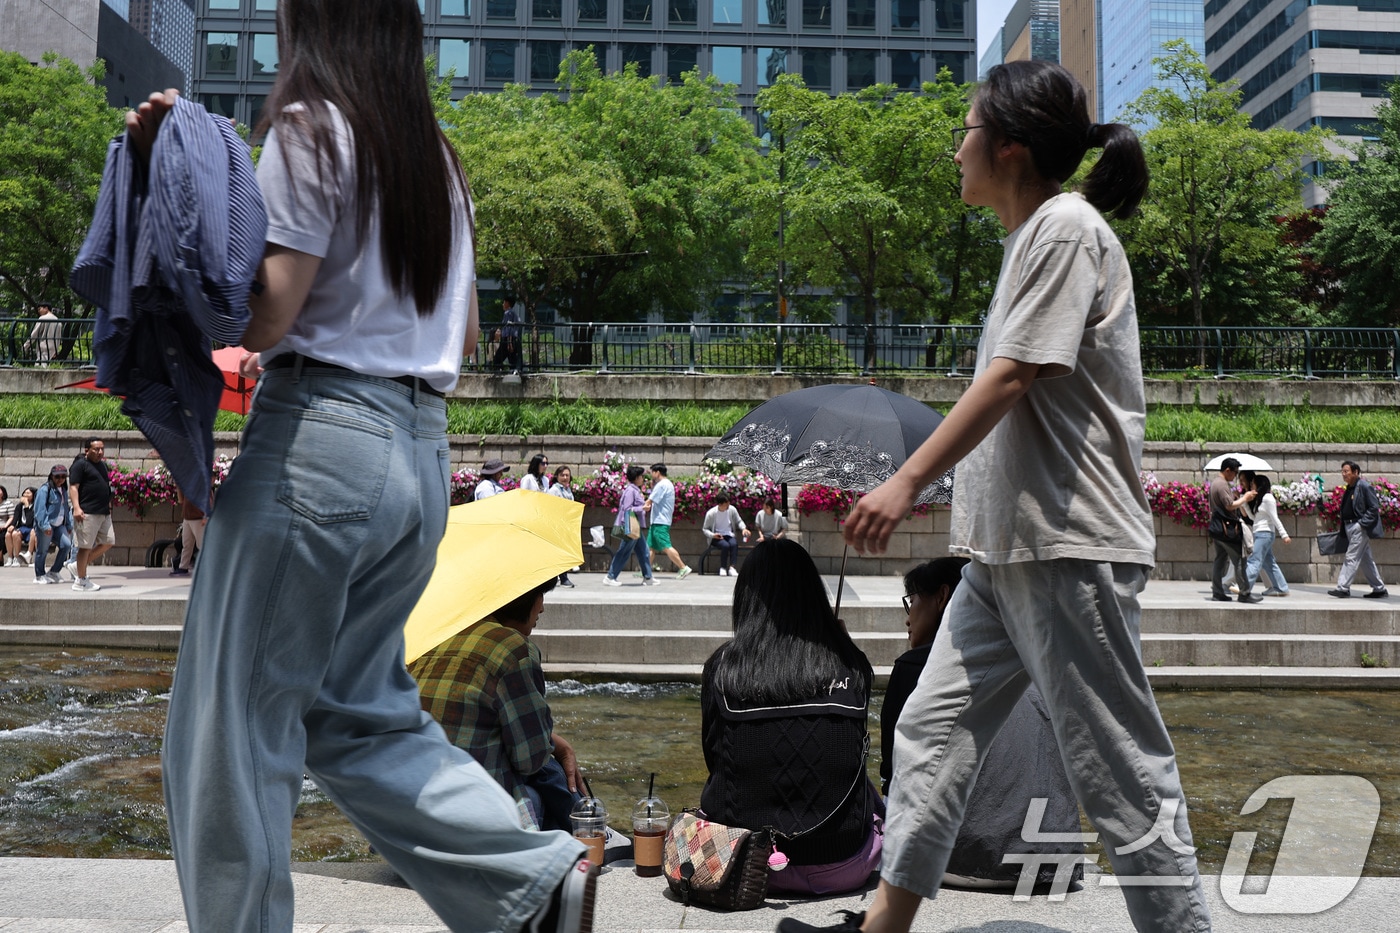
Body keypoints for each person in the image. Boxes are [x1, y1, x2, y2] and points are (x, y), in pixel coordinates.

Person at [143, 2, 597, 930]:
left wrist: (177, 174)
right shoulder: (438, 160)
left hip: (319, 440)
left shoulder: (311, 128)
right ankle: (532, 878)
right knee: (359, 712)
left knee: (229, 732)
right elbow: (462, 333)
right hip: (420, 456)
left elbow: (265, 318)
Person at [779, 61, 1212, 933]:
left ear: (1008, 146)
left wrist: (905, 482)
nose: (955, 147)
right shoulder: (1033, 239)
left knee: (1122, 774)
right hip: (1008, 554)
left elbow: (1014, 376)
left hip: (1067, 547)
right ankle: (884, 928)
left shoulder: (1065, 229)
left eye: (966, 129)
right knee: (929, 737)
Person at [883, 558, 1083, 890]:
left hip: (971, 861)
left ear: (942, 597)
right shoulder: (1035, 662)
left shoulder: (915, 667)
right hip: (1056, 860)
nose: (908, 616)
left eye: (913, 600)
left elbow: (896, 778)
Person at [701, 539, 881, 896]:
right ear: (812, 595)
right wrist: (845, 648)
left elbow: (715, 758)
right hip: (844, 862)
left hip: (740, 861)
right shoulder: (851, 664)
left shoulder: (722, 668)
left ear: (747, 600)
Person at [411, 578, 583, 831]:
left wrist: (559, 745)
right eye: (540, 597)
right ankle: (585, 832)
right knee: (540, 787)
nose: (542, 609)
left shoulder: (438, 638)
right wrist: (560, 750)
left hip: (403, 821)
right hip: (465, 829)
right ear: (524, 598)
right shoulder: (514, 649)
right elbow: (530, 759)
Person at [1330, 460, 1389, 599]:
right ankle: (1379, 588)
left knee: (1351, 557)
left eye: (1346, 471)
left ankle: (1343, 587)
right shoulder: (1349, 488)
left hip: (1359, 527)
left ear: (1356, 472)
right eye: (1342, 471)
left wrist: (1361, 524)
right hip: (1350, 526)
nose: (1344, 474)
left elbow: (1374, 508)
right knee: (1366, 560)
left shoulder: (1364, 486)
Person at [1208, 458, 1258, 604]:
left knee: (1220, 560)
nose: (1235, 476)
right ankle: (1244, 593)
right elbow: (1229, 506)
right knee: (1240, 560)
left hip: (1218, 528)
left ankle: (1217, 592)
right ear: (1227, 470)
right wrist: (1245, 498)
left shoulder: (1215, 483)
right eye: (1235, 473)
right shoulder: (1222, 484)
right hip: (1227, 529)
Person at [68, 437, 115, 592]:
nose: (100, 452)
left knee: (108, 541)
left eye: (102, 449)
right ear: (87, 450)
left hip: (103, 512)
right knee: (84, 546)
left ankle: (77, 566)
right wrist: (76, 508)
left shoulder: (102, 465)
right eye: (96, 449)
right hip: (86, 512)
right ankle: (80, 581)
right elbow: (73, 487)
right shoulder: (80, 465)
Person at [604, 465, 655, 586]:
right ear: (637, 478)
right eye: (641, 476)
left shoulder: (634, 490)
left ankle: (648, 577)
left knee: (644, 551)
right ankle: (610, 576)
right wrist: (642, 507)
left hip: (635, 526)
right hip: (630, 526)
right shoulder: (631, 491)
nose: (643, 478)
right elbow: (627, 509)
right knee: (624, 552)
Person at [1243, 475, 1289, 597]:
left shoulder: (1268, 498)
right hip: (1259, 533)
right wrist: (1245, 504)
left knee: (1254, 560)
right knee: (1268, 562)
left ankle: (1244, 587)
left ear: (1260, 484)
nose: (1251, 485)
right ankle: (1281, 587)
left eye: (1253, 483)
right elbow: (1254, 518)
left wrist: (1284, 535)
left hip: (1265, 534)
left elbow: (1275, 518)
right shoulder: (1260, 498)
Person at [645, 463, 692, 579]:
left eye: (652, 472)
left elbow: (650, 500)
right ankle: (645, 571)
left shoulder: (662, 485)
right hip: (659, 520)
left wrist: (642, 506)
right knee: (650, 547)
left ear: (657, 472)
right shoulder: (668, 484)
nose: (652, 475)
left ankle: (683, 567)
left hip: (659, 521)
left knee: (666, 546)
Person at [32, 466, 74, 586]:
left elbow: (65, 508)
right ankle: (39, 575)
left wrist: (69, 524)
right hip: (47, 524)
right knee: (43, 550)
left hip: (59, 525)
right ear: (51, 476)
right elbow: (40, 509)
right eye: (57, 476)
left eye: (63, 477)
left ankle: (54, 571)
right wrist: (45, 526)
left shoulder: (64, 490)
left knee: (66, 545)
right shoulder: (45, 490)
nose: (60, 479)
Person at [702, 492, 749, 576]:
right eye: (726, 503)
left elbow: (739, 521)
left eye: (728, 503)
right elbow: (705, 529)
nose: (728, 505)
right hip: (716, 537)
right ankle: (723, 568)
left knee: (734, 544)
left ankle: (732, 568)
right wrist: (713, 535)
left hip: (729, 534)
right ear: (720, 504)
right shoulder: (711, 513)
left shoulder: (732, 510)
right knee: (725, 546)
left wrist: (743, 528)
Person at [547, 466, 577, 588]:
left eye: (567, 475)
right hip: (557, 526)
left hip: (566, 526)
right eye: (562, 475)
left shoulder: (567, 490)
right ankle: (563, 578)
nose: (565, 478)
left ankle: (558, 579)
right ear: (557, 477)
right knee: (559, 553)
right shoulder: (554, 490)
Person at [5, 487, 37, 568]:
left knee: (33, 532)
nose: (25, 495)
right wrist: (12, 525)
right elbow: (15, 518)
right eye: (24, 493)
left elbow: (30, 522)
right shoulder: (19, 506)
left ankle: (29, 556)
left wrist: (27, 506)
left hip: (31, 528)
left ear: (33, 495)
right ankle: (14, 557)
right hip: (22, 528)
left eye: (28, 493)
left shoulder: (35, 506)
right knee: (11, 534)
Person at [492, 297, 523, 375]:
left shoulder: (508, 313)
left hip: (508, 339)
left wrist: (509, 342)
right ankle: (515, 371)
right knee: (512, 358)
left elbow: (509, 327)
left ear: (507, 303)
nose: (503, 304)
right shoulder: (512, 313)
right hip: (512, 338)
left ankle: (499, 372)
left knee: (497, 358)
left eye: (504, 302)